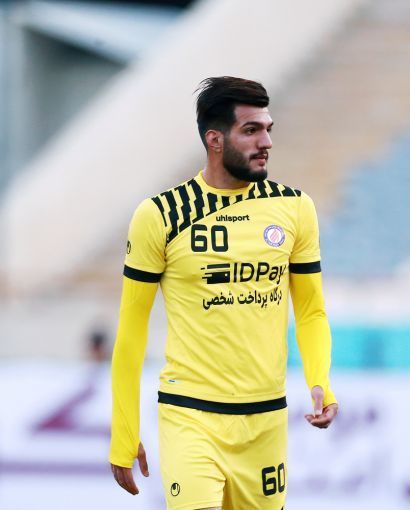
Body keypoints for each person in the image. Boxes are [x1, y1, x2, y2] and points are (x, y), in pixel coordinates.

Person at [109, 76, 338, 510]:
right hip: (190, 414)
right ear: (215, 139)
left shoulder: (294, 208)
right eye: (251, 130)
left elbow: (310, 310)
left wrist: (320, 383)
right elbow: (131, 330)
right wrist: (124, 430)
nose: (266, 142)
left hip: (265, 420)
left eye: (268, 128)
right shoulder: (160, 215)